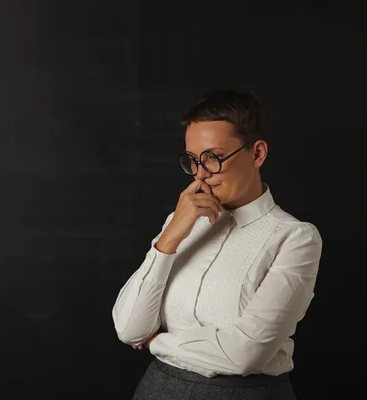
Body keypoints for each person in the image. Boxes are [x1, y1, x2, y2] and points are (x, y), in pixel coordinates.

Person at [112, 88, 322, 400]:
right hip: (157, 388)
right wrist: (170, 238)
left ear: (257, 153)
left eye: (213, 157)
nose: (200, 174)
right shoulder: (180, 222)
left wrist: (158, 342)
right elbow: (130, 329)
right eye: (193, 160)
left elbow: (245, 353)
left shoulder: (295, 238)